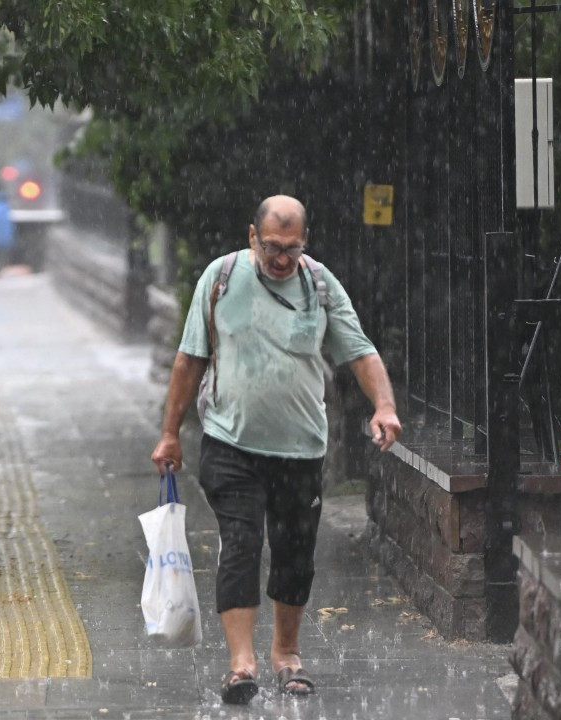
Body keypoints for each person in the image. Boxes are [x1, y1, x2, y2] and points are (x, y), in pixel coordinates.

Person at [149, 195, 401, 705]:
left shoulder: (320, 286)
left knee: (294, 553)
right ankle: (241, 663)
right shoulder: (220, 278)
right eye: (271, 247)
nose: (281, 258)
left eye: (292, 248)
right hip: (230, 442)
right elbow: (188, 359)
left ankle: (286, 653)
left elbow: (360, 350)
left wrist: (385, 406)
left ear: (304, 242)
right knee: (240, 544)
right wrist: (170, 432)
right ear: (252, 237)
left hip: (300, 448)